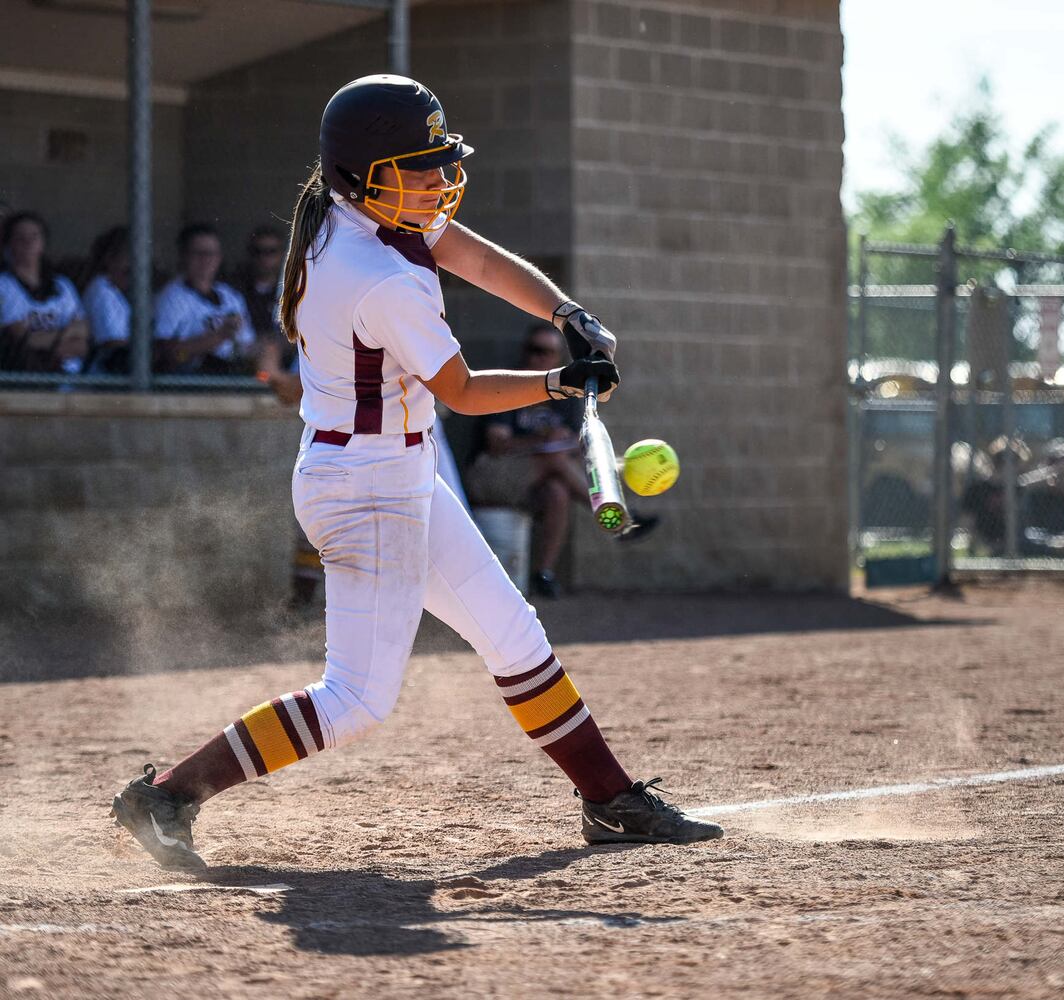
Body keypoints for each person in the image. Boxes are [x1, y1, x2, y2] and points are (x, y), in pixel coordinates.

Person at [111, 74, 721, 870]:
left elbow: (469, 252)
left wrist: (564, 313)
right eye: (419, 167)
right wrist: (559, 383)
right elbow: (463, 391)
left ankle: (609, 801)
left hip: (390, 474)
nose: (438, 181)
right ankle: (167, 796)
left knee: (513, 635)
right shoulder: (380, 276)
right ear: (363, 175)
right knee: (357, 700)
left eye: (438, 162)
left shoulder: (358, 217)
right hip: (364, 489)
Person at [467, 322, 656, 598]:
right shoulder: (508, 385)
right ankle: (616, 517)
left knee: (558, 492)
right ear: (524, 353)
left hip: (537, 480)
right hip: (491, 475)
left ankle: (543, 573)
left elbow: (576, 445)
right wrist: (542, 439)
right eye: (534, 350)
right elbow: (497, 446)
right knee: (553, 459)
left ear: (558, 358)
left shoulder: (565, 394)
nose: (539, 358)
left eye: (547, 352)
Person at [153, 223, 256, 374]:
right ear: (184, 256)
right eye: (199, 253)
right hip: (192, 374)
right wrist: (219, 336)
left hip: (232, 370)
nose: (206, 259)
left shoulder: (230, 296)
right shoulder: (171, 297)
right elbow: (166, 354)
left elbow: (248, 345)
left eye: (212, 253)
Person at [0, 211, 89, 373]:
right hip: (27, 378)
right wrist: (67, 333)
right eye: (20, 238)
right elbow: (22, 340)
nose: (28, 243)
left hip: (70, 379)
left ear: (43, 243)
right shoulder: (4, 285)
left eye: (34, 236)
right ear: (9, 244)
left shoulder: (62, 285)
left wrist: (45, 342)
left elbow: (82, 342)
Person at [81, 226, 131, 373]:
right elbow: (113, 344)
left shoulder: (118, 292)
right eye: (127, 257)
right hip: (103, 381)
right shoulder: (101, 291)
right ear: (109, 259)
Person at [237, 224, 286, 343]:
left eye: (271, 251)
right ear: (249, 254)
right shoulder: (234, 291)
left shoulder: (291, 292)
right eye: (257, 251)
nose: (264, 257)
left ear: (282, 255)